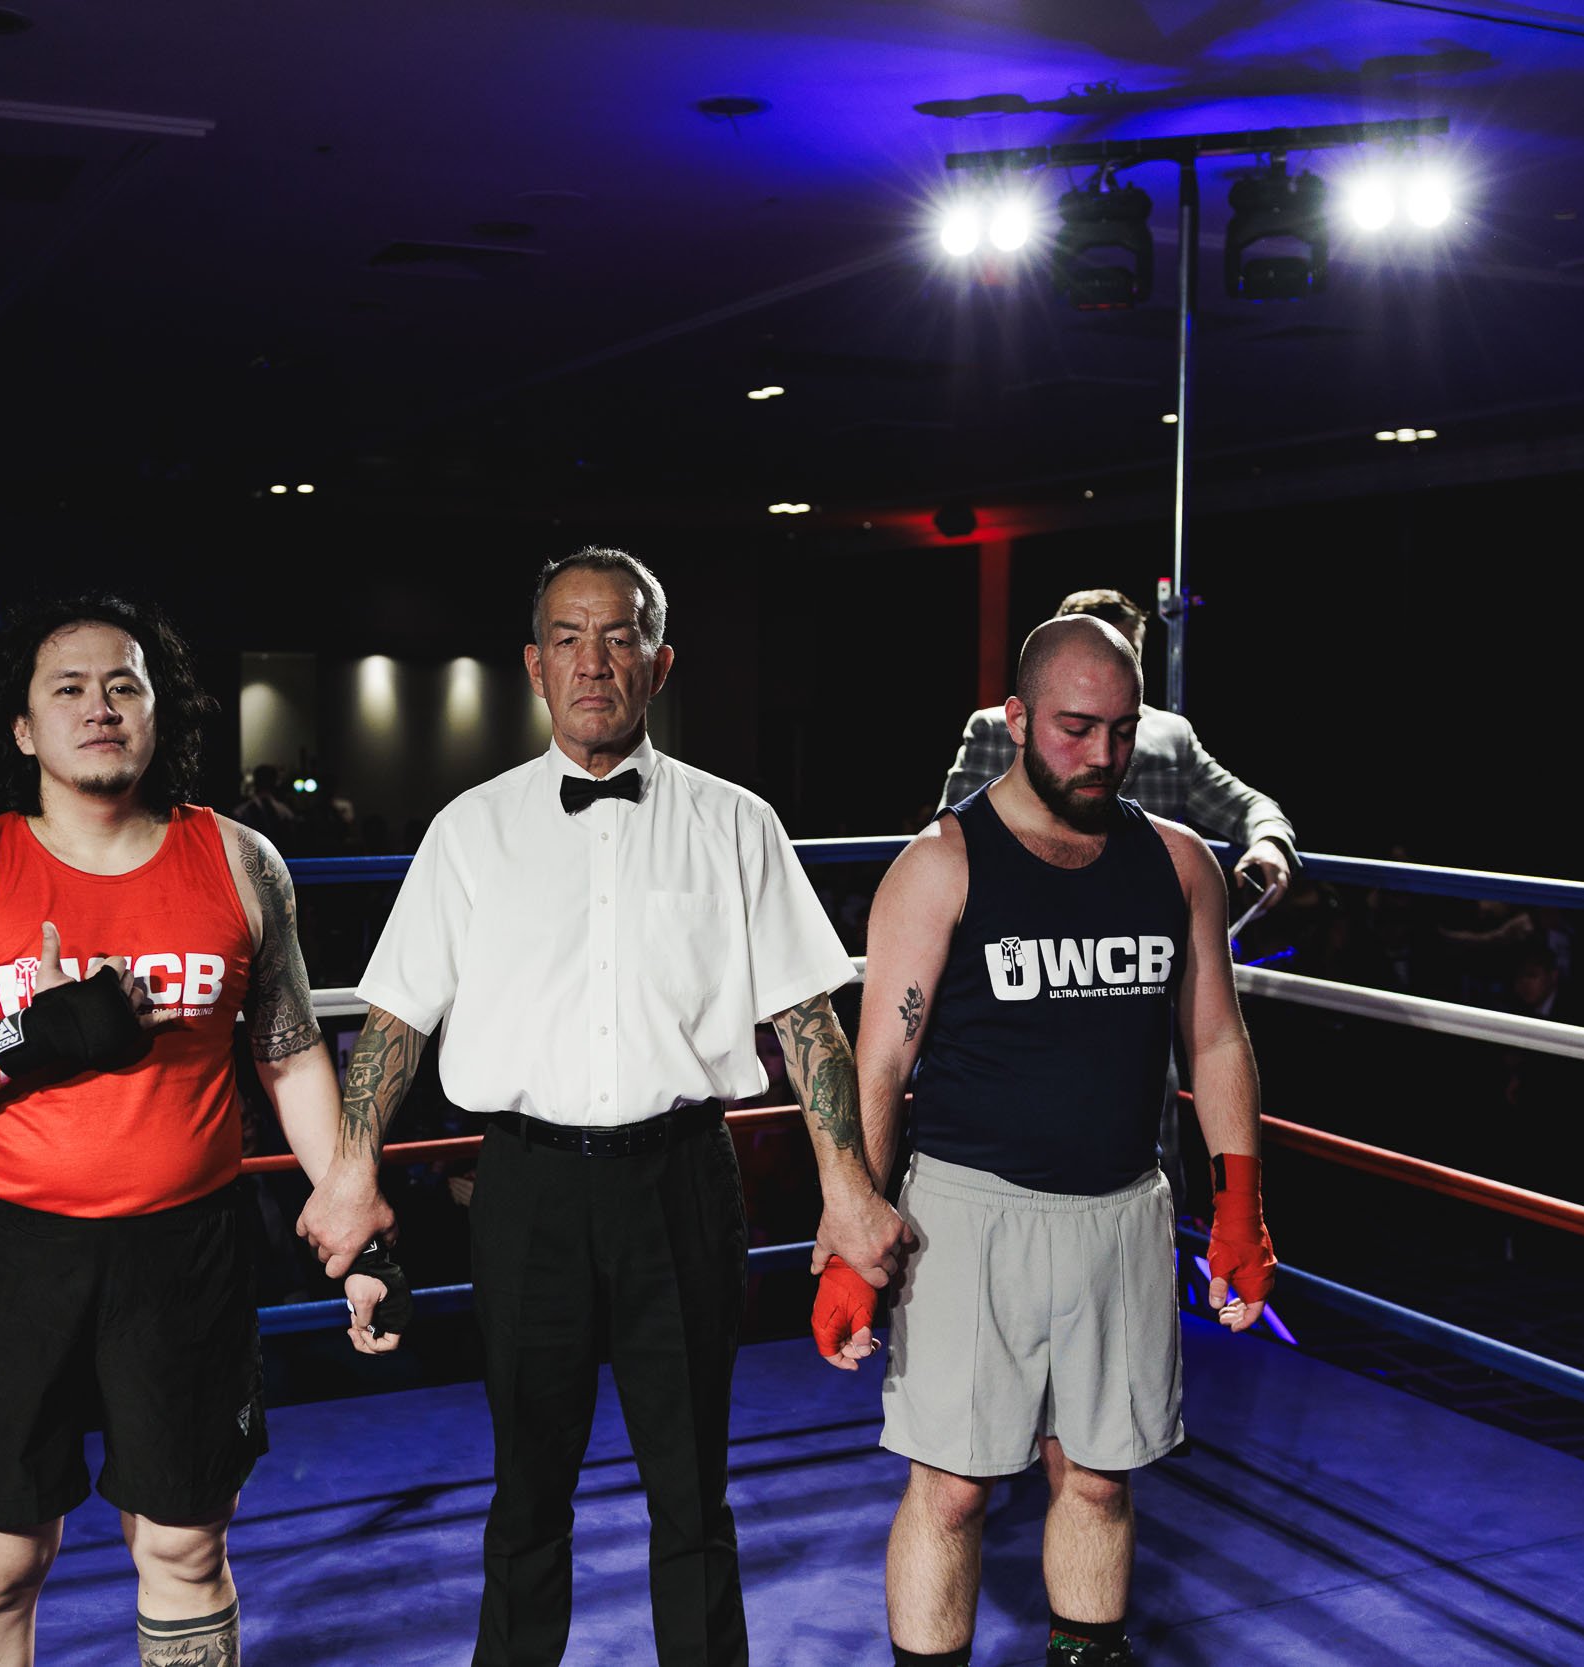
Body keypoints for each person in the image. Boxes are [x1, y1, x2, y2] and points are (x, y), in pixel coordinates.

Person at [296, 547, 909, 1667]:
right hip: (525, 1187)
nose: (594, 660)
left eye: (619, 634)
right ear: (534, 665)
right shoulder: (468, 829)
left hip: (683, 1179)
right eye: (570, 637)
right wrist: (348, 1169)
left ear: (660, 661)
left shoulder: (737, 823)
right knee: (526, 1494)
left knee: (693, 1493)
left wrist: (850, 1192)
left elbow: (806, 1023)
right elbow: (392, 1021)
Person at [0, 594, 393, 1667]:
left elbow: (286, 1049)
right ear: (23, 727)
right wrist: (21, 1038)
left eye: (124, 684)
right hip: (13, 1248)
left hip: (186, 1247)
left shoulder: (240, 861)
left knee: (185, 1544)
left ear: (159, 710)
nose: (99, 707)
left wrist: (356, 1223)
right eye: (69, 687)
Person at [839, 615, 1277, 1667]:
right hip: (965, 1213)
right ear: (1017, 718)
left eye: (1121, 732)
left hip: (1124, 1209)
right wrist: (848, 1227)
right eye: (1076, 728)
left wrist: (1238, 1202)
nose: (1101, 755)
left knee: (1097, 1476)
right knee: (949, 1488)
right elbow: (880, 1065)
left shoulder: (1175, 864)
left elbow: (1213, 1034)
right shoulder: (940, 864)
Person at [937, 591, 1294, 904]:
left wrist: (1269, 840)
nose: (1104, 756)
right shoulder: (998, 727)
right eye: (1075, 729)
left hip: (1144, 926)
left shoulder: (1172, 734)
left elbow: (1247, 805)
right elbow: (953, 840)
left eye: (1126, 653)